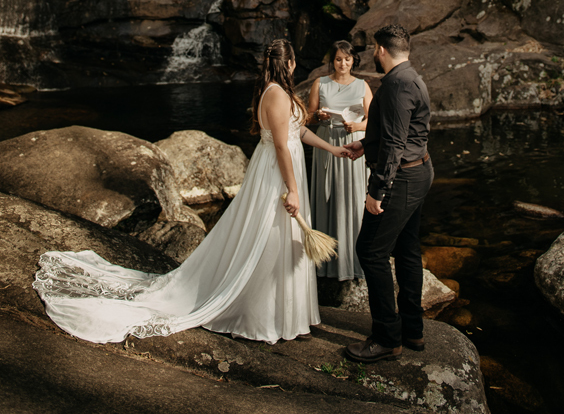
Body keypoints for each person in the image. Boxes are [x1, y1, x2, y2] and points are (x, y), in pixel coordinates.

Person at [33, 38, 351, 345]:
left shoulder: (277, 91)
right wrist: (292, 189)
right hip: (277, 173)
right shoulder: (277, 95)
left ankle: (292, 317)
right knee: (271, 237)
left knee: (283, 237)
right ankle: (267, 317)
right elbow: (281, 145)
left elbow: (298, 131)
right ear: (290, 63)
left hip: (283, 168)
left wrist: (332, 149)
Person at [344, 23, 432, 363]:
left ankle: (386, 338)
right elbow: (406, 133)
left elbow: (395, 144)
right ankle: (412, 331)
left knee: (370, 251)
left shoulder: (396, 85)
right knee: (407, 249)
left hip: (402, 178)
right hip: (418, 171)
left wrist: (377, 190)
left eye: (374, 49)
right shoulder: (412, 77)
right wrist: (366, 144)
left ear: (380, 50)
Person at [308, 40, 373, 281]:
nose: (343, 64)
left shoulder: (363, 86)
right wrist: (318, 115)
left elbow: (374, 120)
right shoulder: (320, 83)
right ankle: (325, 260)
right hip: (327, 143)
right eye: (338, 59)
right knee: (327, 197)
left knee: (353, 199)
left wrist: (357, 126)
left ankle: (353, 260)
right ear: (332, 61)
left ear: (353, 60)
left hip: (353, 146)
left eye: (347, 59)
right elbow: (308, 117)